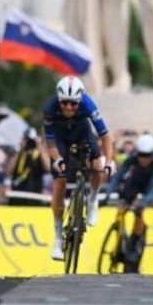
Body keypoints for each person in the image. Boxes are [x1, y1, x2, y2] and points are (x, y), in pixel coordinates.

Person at [43, 75, 115, 260]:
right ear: (59, 100)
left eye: (74, 104)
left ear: (80, 101)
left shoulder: (88, 105)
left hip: (82, 131)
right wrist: (58, 159)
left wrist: (109, 161)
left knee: (97, 164)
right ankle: (58, 238)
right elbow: (50, 143)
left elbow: (105, 136)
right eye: (65, 103)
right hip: (60, 138)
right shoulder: (50, 108)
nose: (69, 107)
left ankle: (92, 200)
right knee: (60, 181)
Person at [112, 133, 153, 273]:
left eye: (147, 156)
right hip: (135, 180)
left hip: (149, 183)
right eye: (141, 155)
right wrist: (110, 192)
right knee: (123, 201)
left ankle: (135, 243)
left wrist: (143, 202)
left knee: (139, 211)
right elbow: (120, 173)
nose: (143, 159)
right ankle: (119, 237)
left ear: (152, 154)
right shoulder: (133, 156)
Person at [8, 128, 48, 205]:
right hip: (17, 197)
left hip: (35, 197)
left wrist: (39, 145)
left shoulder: (39, 155)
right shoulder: (18, 154)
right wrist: (20, 149)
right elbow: (9, 171)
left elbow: (47, 167)